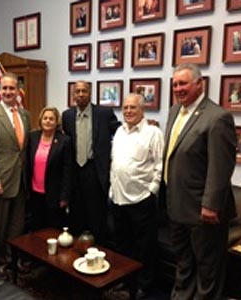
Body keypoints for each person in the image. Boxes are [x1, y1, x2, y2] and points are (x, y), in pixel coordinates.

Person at [163, 63, 237, 300]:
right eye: (174, 84)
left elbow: (221, 165)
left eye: (183, 83)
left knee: (207, 271)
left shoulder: (217, 117)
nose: (178, 88)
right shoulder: (174, 111)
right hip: (177, 206)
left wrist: (211, 205)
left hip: (203, 212)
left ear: (199, 83)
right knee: (183, 264)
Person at [110, 93, 164, 300]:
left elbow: (159, 165)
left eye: (133, 107)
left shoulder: (153, 133)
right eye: (125, 108)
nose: (128, 111)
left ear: (142, 110)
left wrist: (152, 191)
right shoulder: (119, 131)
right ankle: (125, 280)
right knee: (123, 245)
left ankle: (144, 285)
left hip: (141, 199)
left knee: (145, 247)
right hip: (118, 198)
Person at [0, 72, 31, 272]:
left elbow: (24, 149)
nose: (8, 92)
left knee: (17, 225)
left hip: (21, 179)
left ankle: (13, 259)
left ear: (18, 91)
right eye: (5, 88)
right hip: (1, 180)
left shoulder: (25, 115)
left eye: (12, 88)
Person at [62, 81, 120, 246]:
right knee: (76, 215)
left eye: (84, 91)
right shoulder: (67, 116)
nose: (80, 94)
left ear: (90, 93)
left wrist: (143, 125)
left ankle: (99, 252)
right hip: (74, 172)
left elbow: (120, 130)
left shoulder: (104, 113)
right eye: (77, 91)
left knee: (97, 217)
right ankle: (75, 254)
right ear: (73, 94)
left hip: (95, 171)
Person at [27, 107, 72, 230]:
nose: (48, 121)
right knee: (36, 228)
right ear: (41, 120)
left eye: (51, 119)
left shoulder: (64, 140)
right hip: (35, 193)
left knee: (53, 229)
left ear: (57, 121)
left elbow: (67, 170)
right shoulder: (32, 137)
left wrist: (64, 196)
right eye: (45, 118)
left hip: (55, 195)